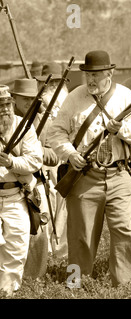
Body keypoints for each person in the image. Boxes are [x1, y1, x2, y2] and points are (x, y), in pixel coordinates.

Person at [48, 50, 131, 286]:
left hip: (119, 174)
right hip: (84, 175)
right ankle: (76, 285)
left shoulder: (125, 96)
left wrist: (120, 129)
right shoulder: (74, 97)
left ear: (110, 73)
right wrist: (70, 154)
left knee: (123, 230)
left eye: (96, 75)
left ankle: (125, 286)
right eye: (88, 75)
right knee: (80, 235)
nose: (91, 80)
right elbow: (56, 132)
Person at [10, 78, 59, 279]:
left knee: (38, 234)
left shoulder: (43, 123)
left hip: (35, 185)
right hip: (8, 186)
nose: (29, 104)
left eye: (33, 100)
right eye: (25, 100)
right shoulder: (6, 122)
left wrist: (37, 152)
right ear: (13, 99)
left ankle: (36, 278)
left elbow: (55, 156)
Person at [0, 84, 43, 296]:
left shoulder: (23, 126)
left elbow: (35, 161)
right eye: (0, 105)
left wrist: (11, 163)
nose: (5, 109)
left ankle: (8, 293)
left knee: (16, 251)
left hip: (16, 197)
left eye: (7, 104)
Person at [35, 62, 70, 258]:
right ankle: (45, 253)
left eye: (59, 82)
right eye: (51, 83)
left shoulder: (67, 108)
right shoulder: (37, 110)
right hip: (43, 169)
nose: (55, 87)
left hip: (63, 166)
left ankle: (61, 252)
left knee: (63, 211)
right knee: (44, 211)